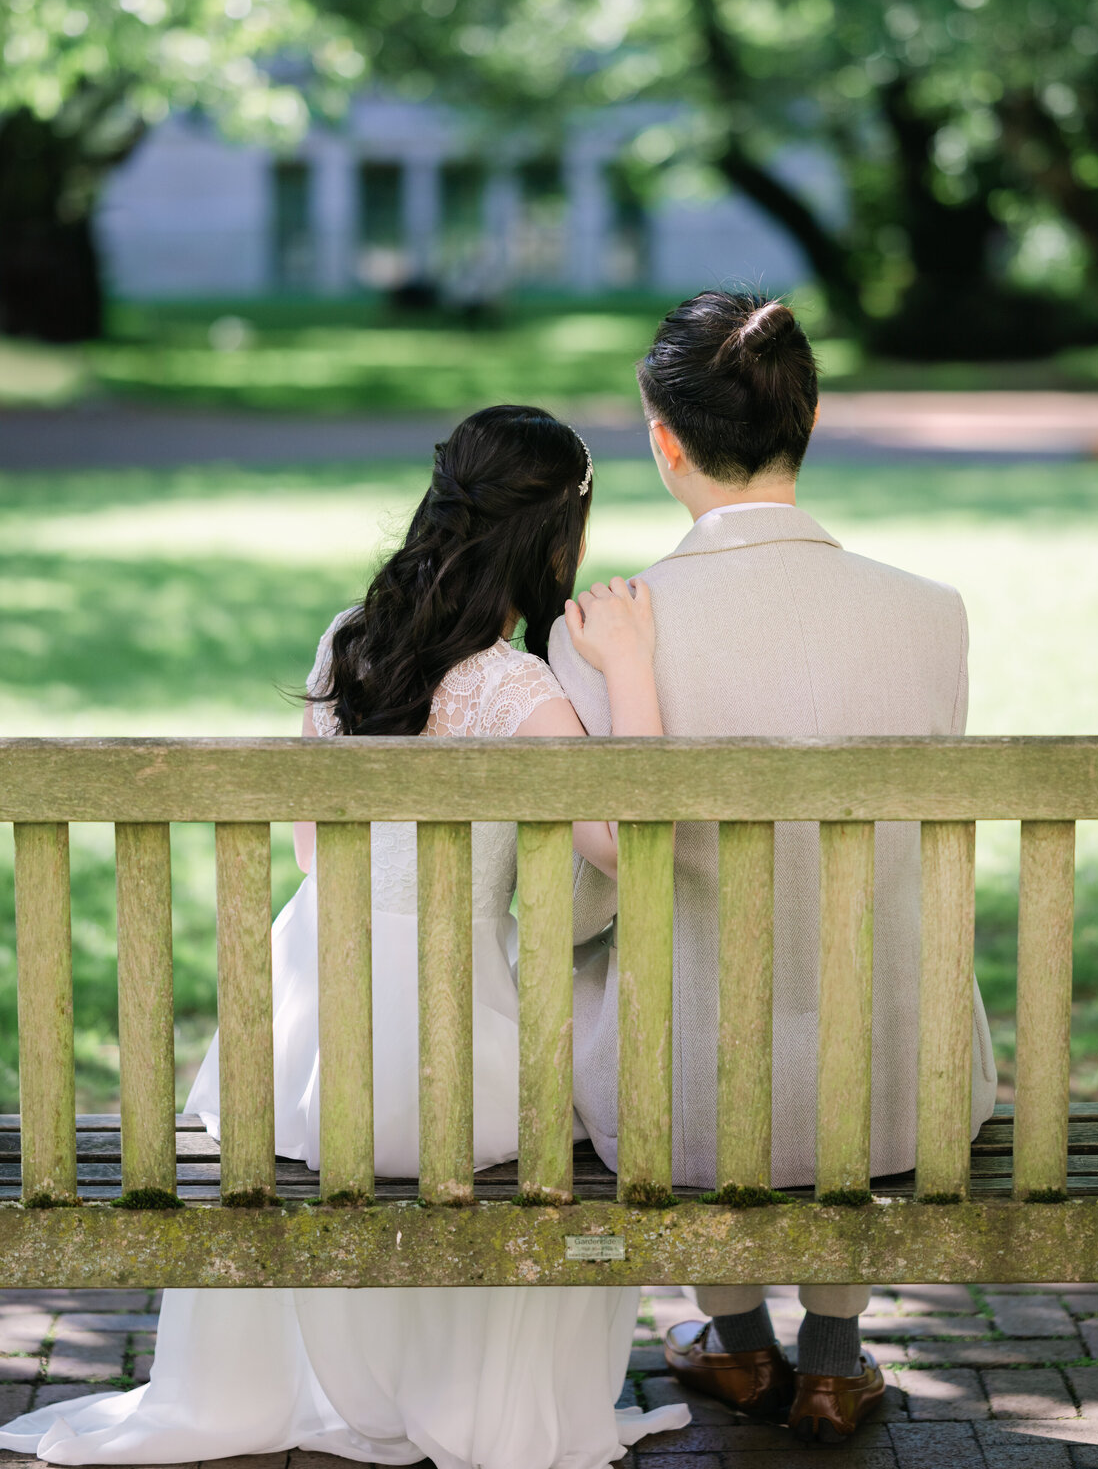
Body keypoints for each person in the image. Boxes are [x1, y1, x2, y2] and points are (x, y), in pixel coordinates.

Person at [0, 405, 687, 1469]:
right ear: (559, 541)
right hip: (452, 1058)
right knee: (578, 1121)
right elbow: (624, 842)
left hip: (302, 1049)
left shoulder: (348, 640)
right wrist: (631, 662)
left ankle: (331, 1383)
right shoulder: (519, 690)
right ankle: (460, 1390)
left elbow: (318, 858)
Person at [548, 292, 998, 1446]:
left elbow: (593, 890)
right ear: (808, 419)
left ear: (665, 441)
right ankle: (836, 1360)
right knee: (847, 959)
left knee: (625, 967)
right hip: (905, 1089)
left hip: (684, 1107)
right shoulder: (932, 616)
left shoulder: (605, 624)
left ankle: (737, 1338)